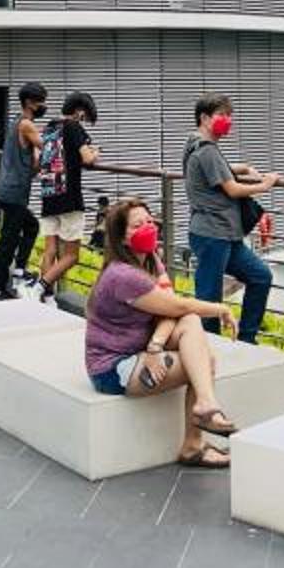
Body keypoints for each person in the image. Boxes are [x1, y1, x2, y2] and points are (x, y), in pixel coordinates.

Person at [83, 197, 241, 469]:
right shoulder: (123, 275)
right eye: (137, 225)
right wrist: (220, 309)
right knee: (204, 360)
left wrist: (155, 346)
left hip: (140, 347)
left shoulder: (151, 260)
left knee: (190, 322)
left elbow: (171, 311)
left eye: (149, 221)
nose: (147, 227)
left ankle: (205, 407)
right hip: (113, 369)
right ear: (121, 238)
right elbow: (177, 305)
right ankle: (194, 442)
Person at [184, 94, 281, 343]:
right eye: (221, 115)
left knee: (260, 276)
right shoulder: (206, 150)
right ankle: (208, 347)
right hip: (212, 234)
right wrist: (265, 185)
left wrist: (244, 167)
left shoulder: (196, 143)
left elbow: (218, 169)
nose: (227, 120)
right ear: (204, 118)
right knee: (209, 297)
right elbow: (232, 189)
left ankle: (246, 340)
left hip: (224, 234)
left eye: (229, 115)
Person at [33, 91, 100, 298]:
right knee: (72, 255)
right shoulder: (73, 127)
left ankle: (47, 297)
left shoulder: (51, 126)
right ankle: (38, 288)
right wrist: (96, 153)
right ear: (79, 111)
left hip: (49, 194)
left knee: (50, 250)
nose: (84, 119)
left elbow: (39, 159)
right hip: (69, 198)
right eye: (85, 115)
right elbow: (87, 158)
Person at [0, 82, 48, 300]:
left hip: (9, 189)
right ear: (30, 103)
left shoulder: (17, 122)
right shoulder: (26, 125)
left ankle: (19, 271)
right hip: (13, 192)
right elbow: (49, 148)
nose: (44, 106)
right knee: (8, 241)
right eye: (41, 101)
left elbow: (31, 165)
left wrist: (39, 163)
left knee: (31, 227)